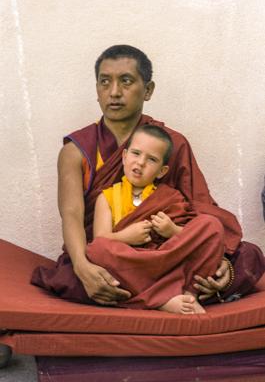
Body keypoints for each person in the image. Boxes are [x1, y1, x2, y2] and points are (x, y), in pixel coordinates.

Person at [31, 44, 265, 307]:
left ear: (148, 90)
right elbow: (72, 214)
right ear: (96, 89)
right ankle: (175, 295)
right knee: (74, 273)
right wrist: (83, 268)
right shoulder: (77, 151)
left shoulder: (172, 144)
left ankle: (155, 293)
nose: (115, 92)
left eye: (126, 81)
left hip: (167, 252)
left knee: (250, 256)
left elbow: (200, 208)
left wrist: (219, 257)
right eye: (105, 82)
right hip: (118, 256)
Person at [88, 124, 225, 314]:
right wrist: (126, 237)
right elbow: (100, 239)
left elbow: (192, 240)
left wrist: (173, 231)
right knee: (98, 250)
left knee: (212, 225)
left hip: (166, 263)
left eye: (151, 159)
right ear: (124, 156)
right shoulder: (107, 197)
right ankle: (164, 299)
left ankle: (188, 293)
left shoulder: (170, 196)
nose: (141, 163)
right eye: (136, 153)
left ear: (162, 171)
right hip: (132, 265)